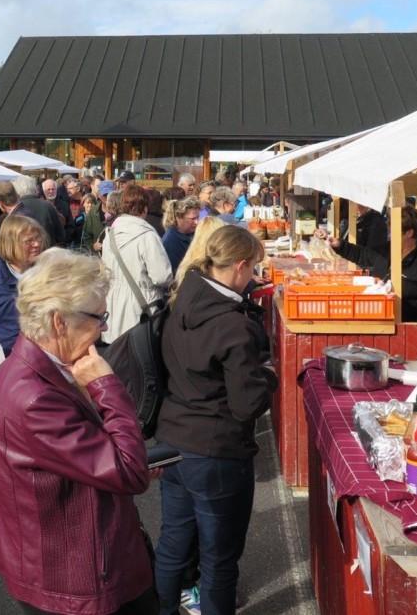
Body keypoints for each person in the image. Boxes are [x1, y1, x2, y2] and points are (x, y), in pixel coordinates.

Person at [0, 250, 156, 615]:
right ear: (59, 322)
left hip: (70, 556)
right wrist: (105, 384)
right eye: (98, 317)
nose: (104, 327)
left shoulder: (37, 368)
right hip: (72, 573)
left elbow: (79, 457)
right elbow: (129, 471)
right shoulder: (34, 396)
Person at [154, 225, 277, 615]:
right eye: (253, 267)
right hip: (217, 450)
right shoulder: (234, 325)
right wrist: (270, 375)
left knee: (173, 543)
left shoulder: (182, 297)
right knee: (219, 559)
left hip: (174, 438)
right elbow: (247, 405)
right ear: (240, 266)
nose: (254, 276)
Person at [316, 207, 417, 323]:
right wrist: (339, 245)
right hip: (377, 320)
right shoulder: (386, 250)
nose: (389, 233)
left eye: (394, 230)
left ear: (409, 233)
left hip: (405, 328)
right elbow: (361, 254)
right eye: (389, 228)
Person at [0, 214, 50, 357]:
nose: (37, 244)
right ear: (10, 244)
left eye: (38, 238)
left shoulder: (49, 275)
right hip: (6, 360)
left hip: (47, 360)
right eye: (29, 241)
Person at [101, 185, 174, 343]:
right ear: (145, 208)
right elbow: (162, 276)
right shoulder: (147, 235)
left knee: (116, 356)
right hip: (141, 309)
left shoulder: (110, 234)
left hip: (113, 307)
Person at [162, 197, 202, 274]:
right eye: (192, 219)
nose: (197, 222)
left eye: (197, 217)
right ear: (179, 217)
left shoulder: (192, 233)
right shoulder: (171, 241)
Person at [42, 178, 74, 243]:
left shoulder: (64, 205)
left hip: (61, 243)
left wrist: (64, 239)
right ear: (44, 191)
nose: (51, 191)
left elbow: (71, 225)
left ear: (56, 190)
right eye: (48, 189)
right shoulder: (40, 205)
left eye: (53, 189)